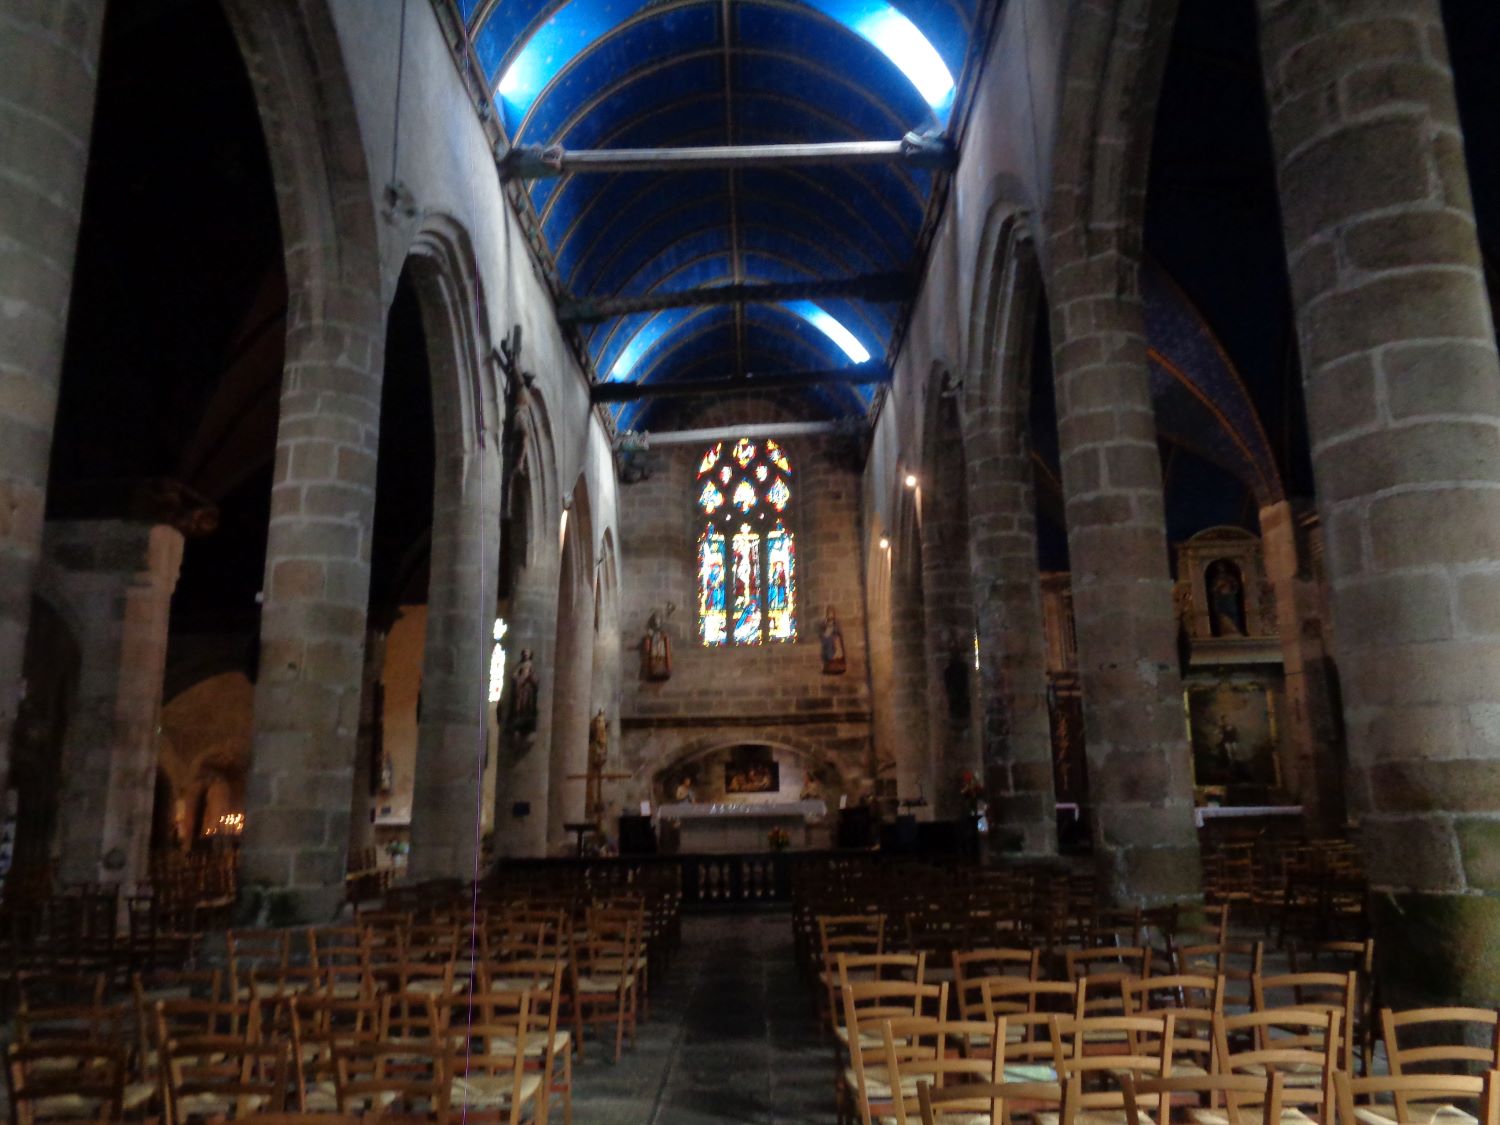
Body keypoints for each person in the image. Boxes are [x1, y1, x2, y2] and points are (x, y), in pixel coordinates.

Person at [510, 649, 538, 732]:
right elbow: (514, 675)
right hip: (521, 687)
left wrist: (530, 678)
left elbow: (535, 678)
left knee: (527, 701)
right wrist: (519, 679)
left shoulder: (531, 665)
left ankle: (526, 714)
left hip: (528, 687)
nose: (526, 655)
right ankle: (519, 715)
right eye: (525, 653)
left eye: (527, 653)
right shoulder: (520, 665)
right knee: (519, 702)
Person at [820, 606, 846, 674]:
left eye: (831, 613)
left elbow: (839, 632)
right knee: (828, 644)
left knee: (836, 644)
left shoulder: (836, 623)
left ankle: (838, 664)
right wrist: (827, 632)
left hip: (835, 640)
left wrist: (835, 633)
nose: (830, 615)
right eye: (829, 613)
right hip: (828, 640)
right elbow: (823, 634)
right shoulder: (825, 624)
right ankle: (829, 663)